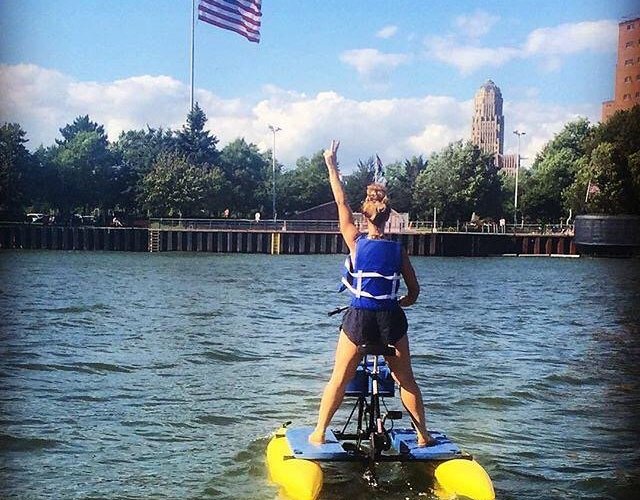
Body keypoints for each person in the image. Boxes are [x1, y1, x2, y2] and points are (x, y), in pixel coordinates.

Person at [309, 140, 431, 447]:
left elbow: (340, 202)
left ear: (364, 217)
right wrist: (398, 303)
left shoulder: (354, 239)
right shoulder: (399, 251)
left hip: (359, 318)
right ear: (388, 217)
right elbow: (414, 293)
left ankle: (320, 432)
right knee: (407, 381)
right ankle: (423, 436)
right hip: (391, 319)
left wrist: (331, 165)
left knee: (339, 377)